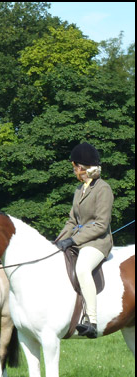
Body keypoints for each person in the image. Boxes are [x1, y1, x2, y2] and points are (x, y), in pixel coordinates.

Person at [55, 142, 114, 339]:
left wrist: (72, 240)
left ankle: (91, 320)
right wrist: (58, 241)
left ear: (83, 168)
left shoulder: (103, 189)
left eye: (74, 167)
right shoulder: (79, 189)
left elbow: (100, 225)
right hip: (79, 240)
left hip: (98, 242)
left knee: (82, 268)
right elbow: (72, 220)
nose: (74, 171)